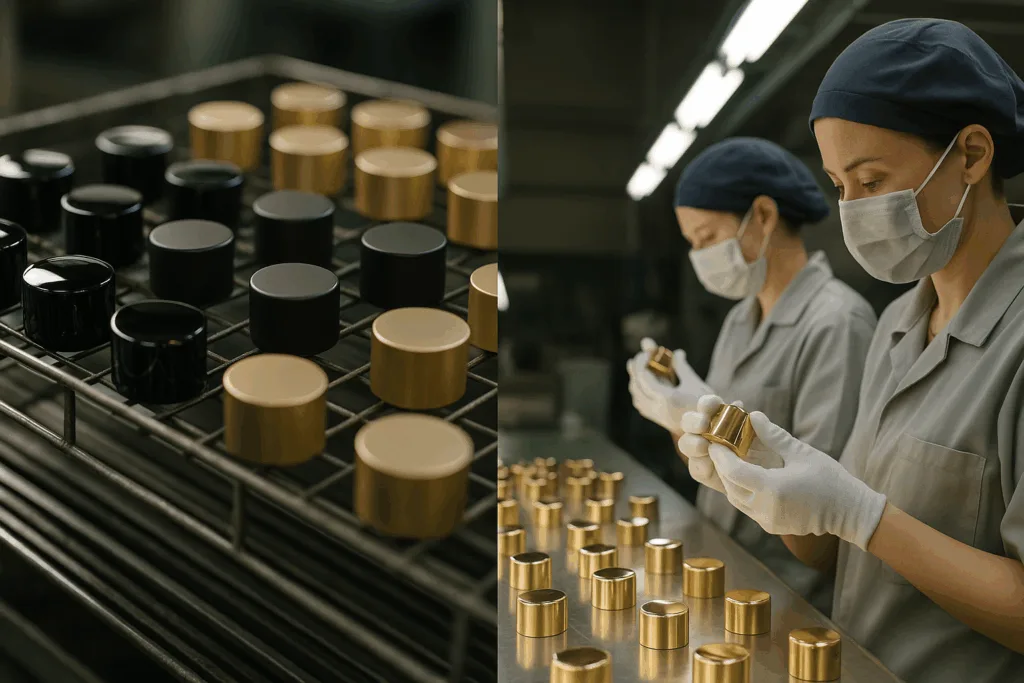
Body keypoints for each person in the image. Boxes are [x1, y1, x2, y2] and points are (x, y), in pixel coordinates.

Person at [679, 18, 1024, 683]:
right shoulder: (899, 323)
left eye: (870, 181)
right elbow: (830, 554)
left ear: (972, 155)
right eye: (839, 186)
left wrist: (865, 515)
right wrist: (763, 469)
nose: (853, 208)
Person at [627, 136, 877, 612]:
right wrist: (677, 420)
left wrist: (707, 426)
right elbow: (710, 473)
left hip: (785, 593)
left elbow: (820, 522)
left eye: (706, 238)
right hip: (720, 564)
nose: (699, 255)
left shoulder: (837, 323)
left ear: (763, 216)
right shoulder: (739, 320)